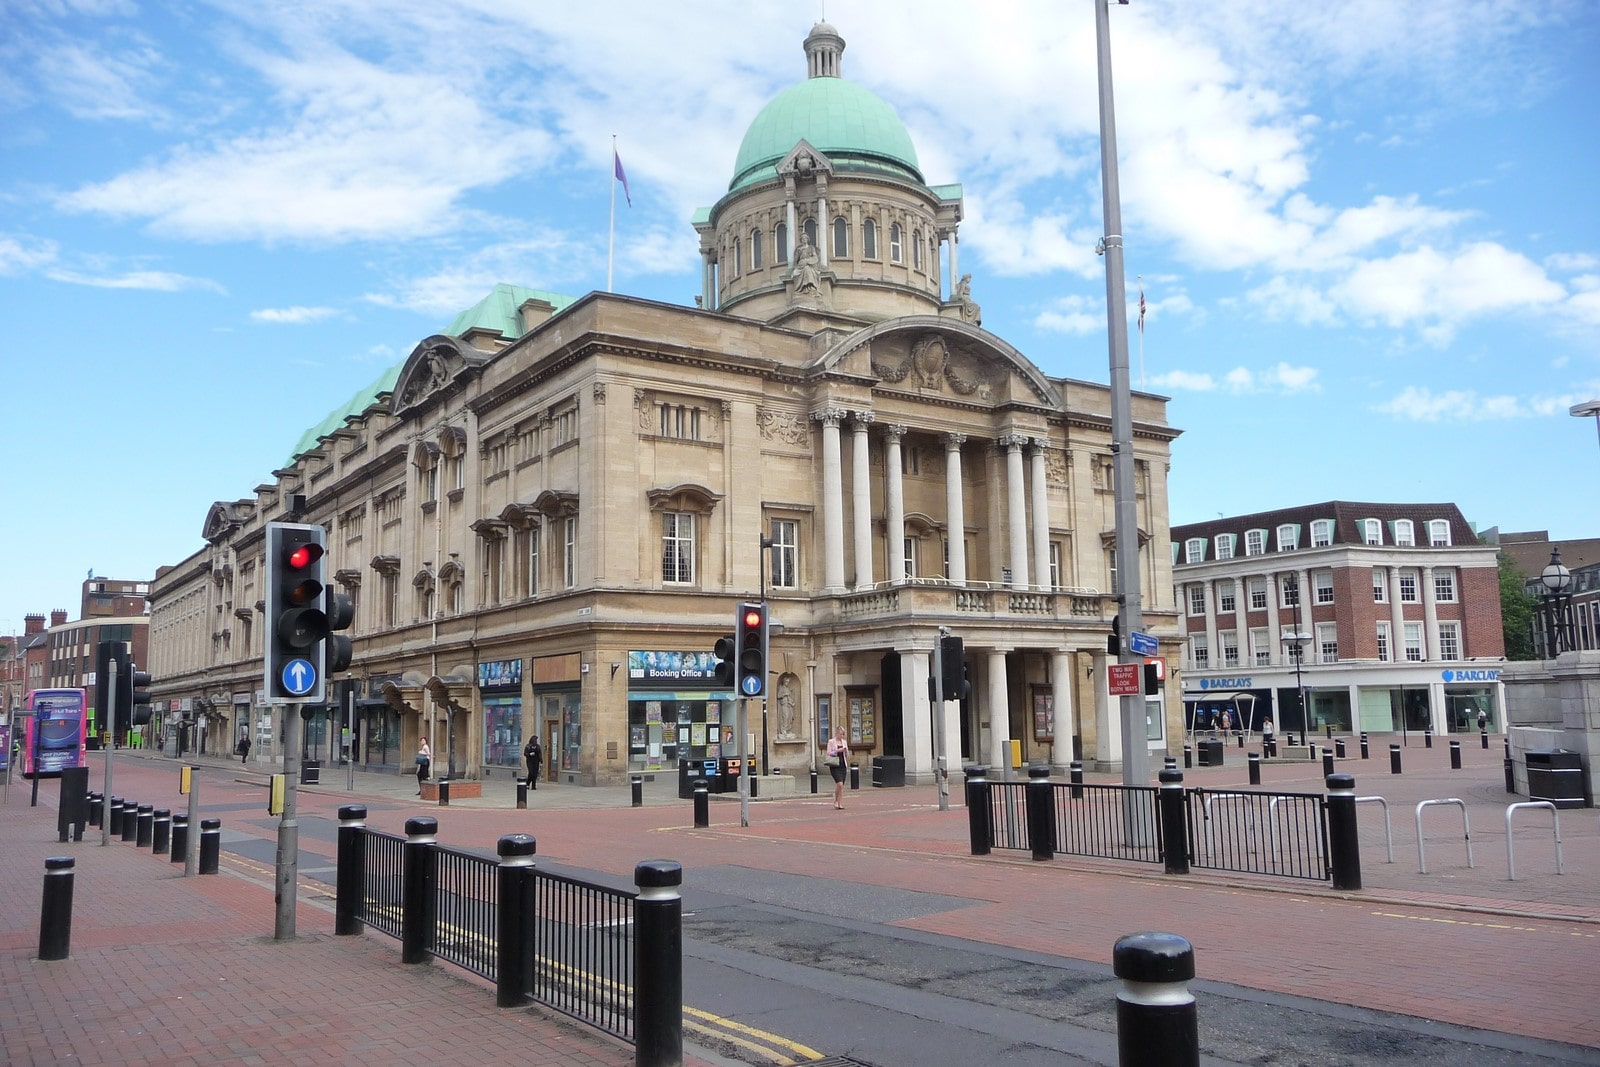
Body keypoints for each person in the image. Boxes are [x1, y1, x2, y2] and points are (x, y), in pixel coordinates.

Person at [825, 726, 850, 810]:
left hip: (843, 764)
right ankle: (836, 800)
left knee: (841, 786)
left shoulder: (844, 742)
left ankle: (839, 803)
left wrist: (845, 751)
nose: (842, 736)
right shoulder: (831, 742)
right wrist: (837, 751)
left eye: (843, 734)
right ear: (836, 733)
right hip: (835, 765)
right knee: (839, 783)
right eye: (840, 734)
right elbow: (828, 753)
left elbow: (847, 754)